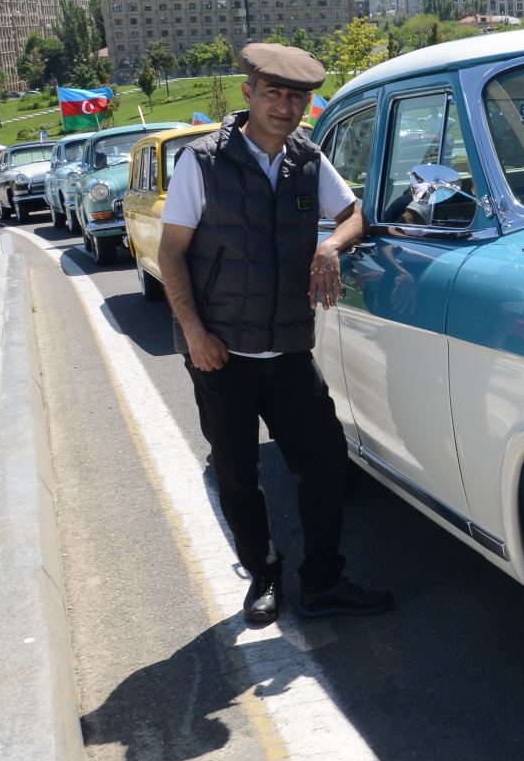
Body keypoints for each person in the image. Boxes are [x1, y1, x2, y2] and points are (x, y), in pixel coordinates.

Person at [156, 43, 392, 623]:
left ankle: (322, 581)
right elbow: (171, 254)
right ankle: (263, 575)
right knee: (238, 477)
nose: (285, 107)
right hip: (222, 354)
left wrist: (332, 246)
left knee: (326, 462)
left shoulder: (307, 161)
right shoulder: (203, 162)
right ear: (249, 94)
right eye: (274, 94)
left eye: (297, 98)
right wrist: (193, 334)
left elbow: (354, 213)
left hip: (287, 350)